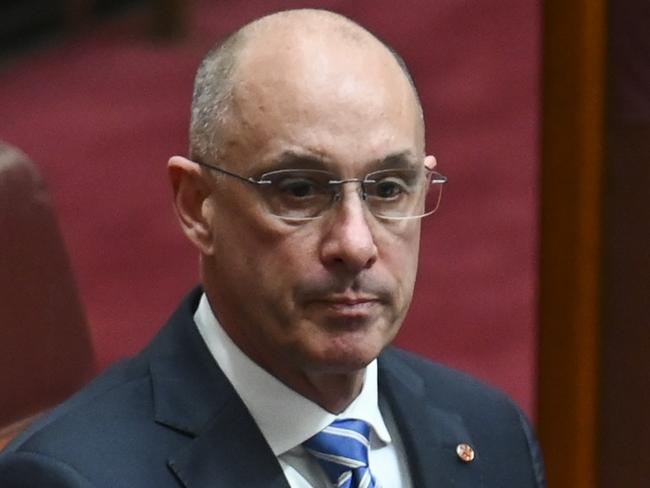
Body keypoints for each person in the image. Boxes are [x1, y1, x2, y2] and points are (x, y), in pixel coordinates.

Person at [0, 9, 545, 487]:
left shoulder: (491, 434)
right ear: (197, 205)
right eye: (300, 190)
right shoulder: (74, 478)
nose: (355, 245)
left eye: (386, 190)